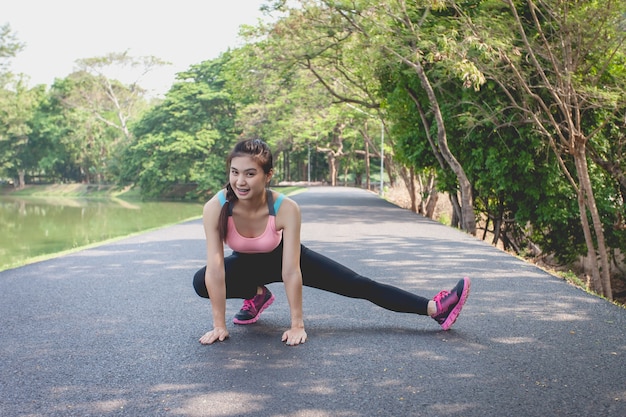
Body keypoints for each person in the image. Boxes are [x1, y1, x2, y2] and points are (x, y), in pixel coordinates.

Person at [193, 139, 471, 346]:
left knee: (358, 284)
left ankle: (434, 308)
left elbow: (290, 271)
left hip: (287, 259)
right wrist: (219, 325)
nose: (240, 181)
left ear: (268, 176)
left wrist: (297, 324)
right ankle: (257, 294)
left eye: (250, 173)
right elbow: (215, 269)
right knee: (200, 281)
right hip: (246, 266)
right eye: (234, 172)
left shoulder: (285, 208)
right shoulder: (216, 207)